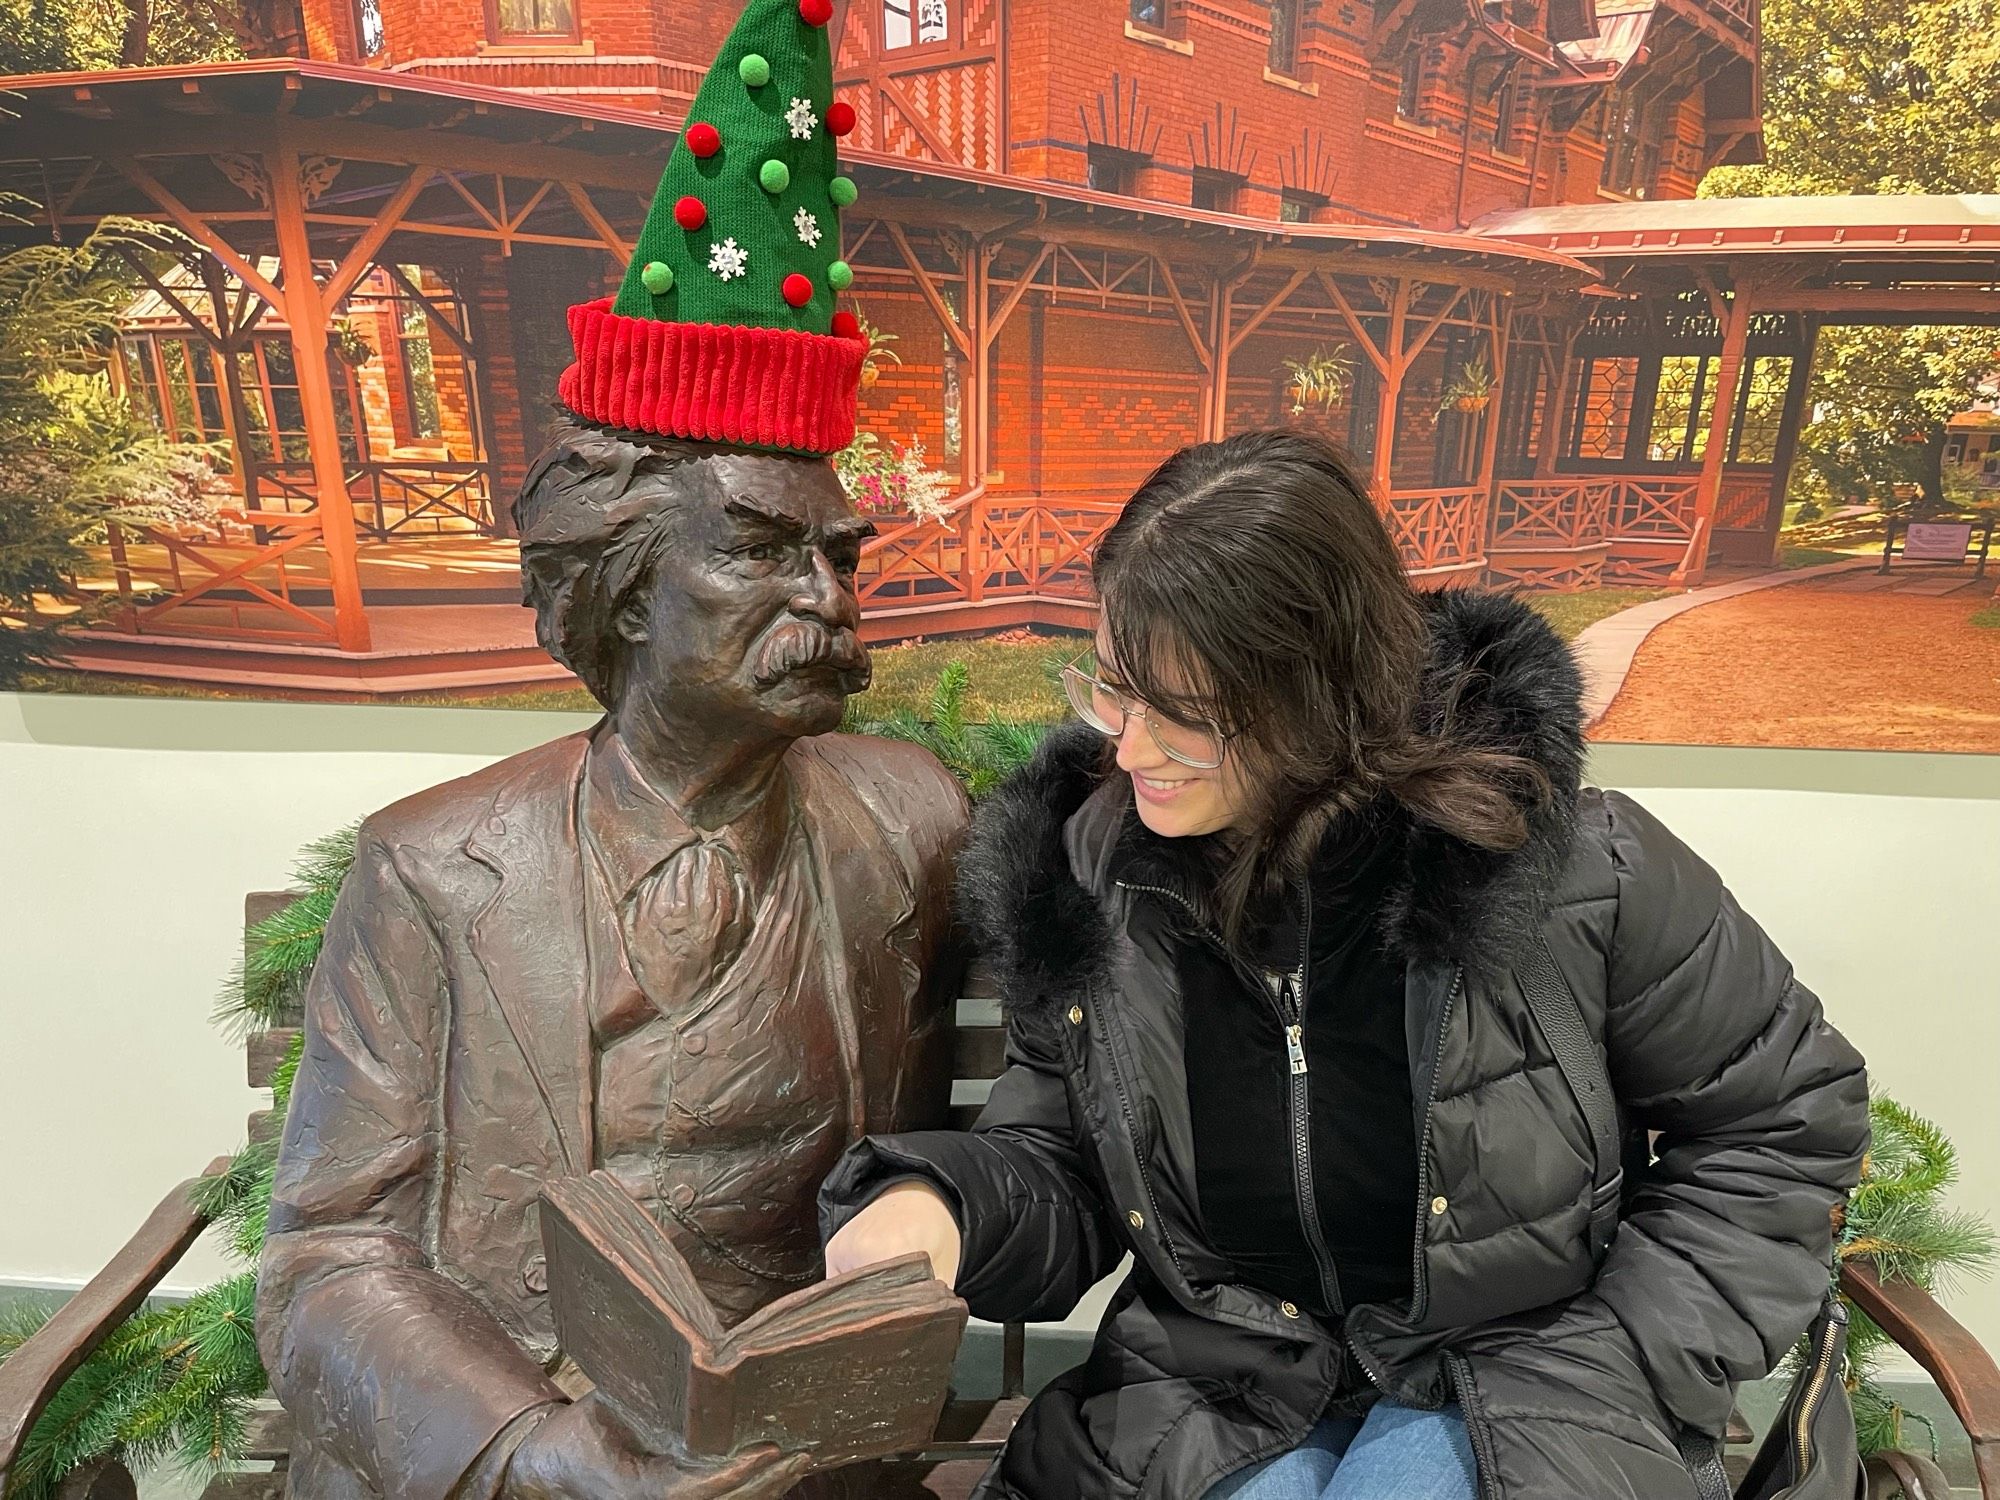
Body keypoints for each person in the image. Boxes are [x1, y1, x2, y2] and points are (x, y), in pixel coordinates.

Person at [818, 429, 1871, 1500]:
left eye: (1183, 718)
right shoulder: (1096, 879)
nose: (1129, 749)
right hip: (1218, 1382)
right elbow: (1064, 1156)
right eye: (1112, 688)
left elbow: (1779, 1127)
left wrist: (1630, 1356)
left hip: (1520, 1381)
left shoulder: (1567, 869)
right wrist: (943, 1206)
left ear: (1319, 696)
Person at [257, 2, 970, 1492]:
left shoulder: (908, 827)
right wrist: (530, 1452)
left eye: (842, 557)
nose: (830, 603)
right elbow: (329, 1256)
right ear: (629, 586)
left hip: (797, 1463)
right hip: (517, 1454)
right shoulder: (436, 870)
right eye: (769, 555)